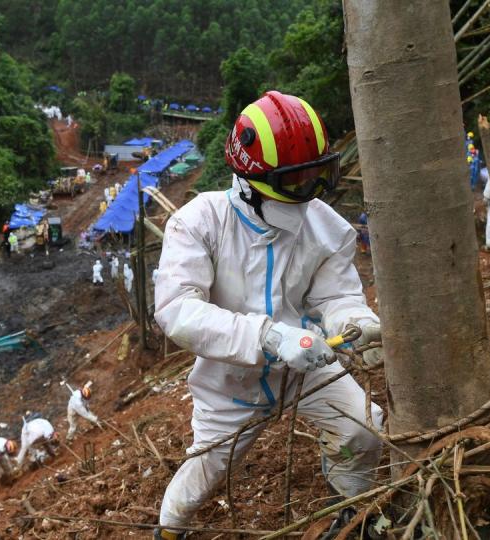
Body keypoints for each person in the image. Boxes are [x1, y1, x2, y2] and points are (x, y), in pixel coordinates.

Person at [152, 91, 384, 539]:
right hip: (229, 381)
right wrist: (268, 338)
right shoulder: (199, 223)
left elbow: (336, 296)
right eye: (298, 181)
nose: (312, 192)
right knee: (203, 475)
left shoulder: (327, 227)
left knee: (364, 430)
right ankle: (168, 531)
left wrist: (352, 322)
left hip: (308, 366)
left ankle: (351, 513)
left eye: (318, 176)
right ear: (251, 179)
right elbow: (178, 310)